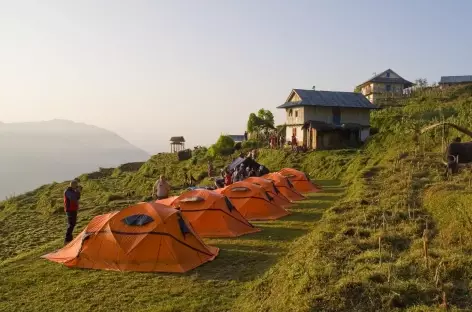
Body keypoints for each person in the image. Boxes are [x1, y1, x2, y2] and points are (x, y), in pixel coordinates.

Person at [63, 180, 82, 244]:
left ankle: (69, 238)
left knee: (72, 224)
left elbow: (77, 197)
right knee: (71, 224)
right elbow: (73, 198)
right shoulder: (68, 191)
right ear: (73, 185)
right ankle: (67, 239)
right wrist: (77, 191)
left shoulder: (72, 191)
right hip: (70, 210)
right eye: (76, 185)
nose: (77, 187)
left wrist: (78, 191)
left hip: (73, 209)